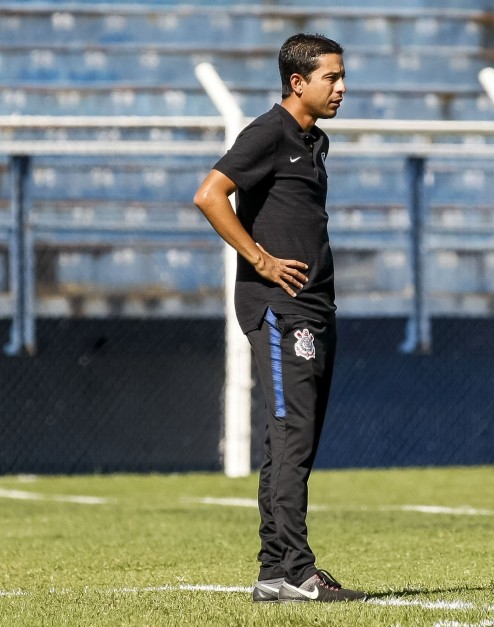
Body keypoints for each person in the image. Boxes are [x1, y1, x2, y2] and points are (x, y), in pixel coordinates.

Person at [193, 33, 366, 604]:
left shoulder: (313, 140)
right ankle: (296, 569)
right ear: (299, 82)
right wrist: (262, 260)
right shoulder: (268, 131)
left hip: (315, 309)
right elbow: (210, 194)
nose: (342, 88)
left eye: (342, 77)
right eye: (331, 78)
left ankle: (275, 571)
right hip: (281, 312)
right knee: (291, 437)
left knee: (295, 439)